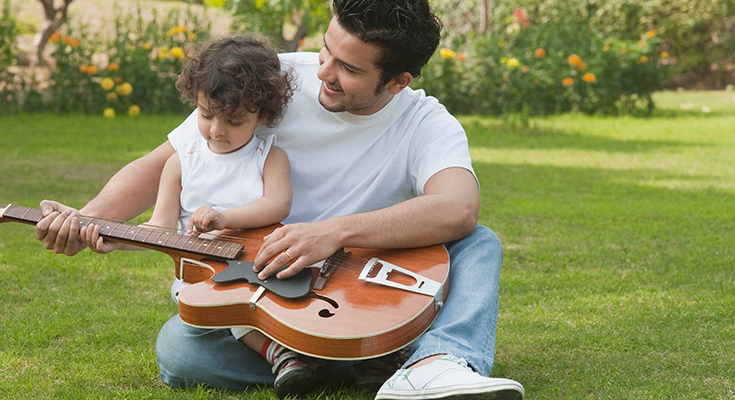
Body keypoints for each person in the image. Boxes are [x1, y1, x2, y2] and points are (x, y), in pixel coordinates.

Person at [35, 0, 525, 399]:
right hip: (263, 292)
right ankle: (363, 362)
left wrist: (333, 231)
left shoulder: (425, 124)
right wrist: (87, 219)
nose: (323, 73)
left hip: (364, 288)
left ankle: (438, 364)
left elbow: (458, 208)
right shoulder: (274, 79)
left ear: (397, 82)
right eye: (326, 50)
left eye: (348, 68)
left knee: (477, 243)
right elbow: (162, 163)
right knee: (180, 352)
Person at [78, 35, 324, 398]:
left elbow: (278, 204)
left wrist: (225, 219)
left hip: (262, 261)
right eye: (206, 115)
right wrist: (118, 240)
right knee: (227, 304)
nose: (216, 130)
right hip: (203, 278)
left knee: (278, 299)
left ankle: (321, 350)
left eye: (234, 120)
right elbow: (160, 227)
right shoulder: (181, 163)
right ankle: (282, 356)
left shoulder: (268, 156)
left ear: (264, 114)